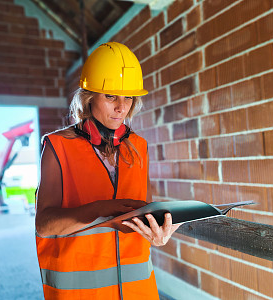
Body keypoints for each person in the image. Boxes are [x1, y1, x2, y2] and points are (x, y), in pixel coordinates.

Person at [35, 42, 180, 299]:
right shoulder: (57, 146)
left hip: (139, 290)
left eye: (128, 97)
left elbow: (143, 209)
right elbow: (45, 225)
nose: (121, 107)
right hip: (80, 293)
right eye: (111, 96)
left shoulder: (139, 147)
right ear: (89, 98)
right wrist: (98, 209)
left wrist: (158, 234)